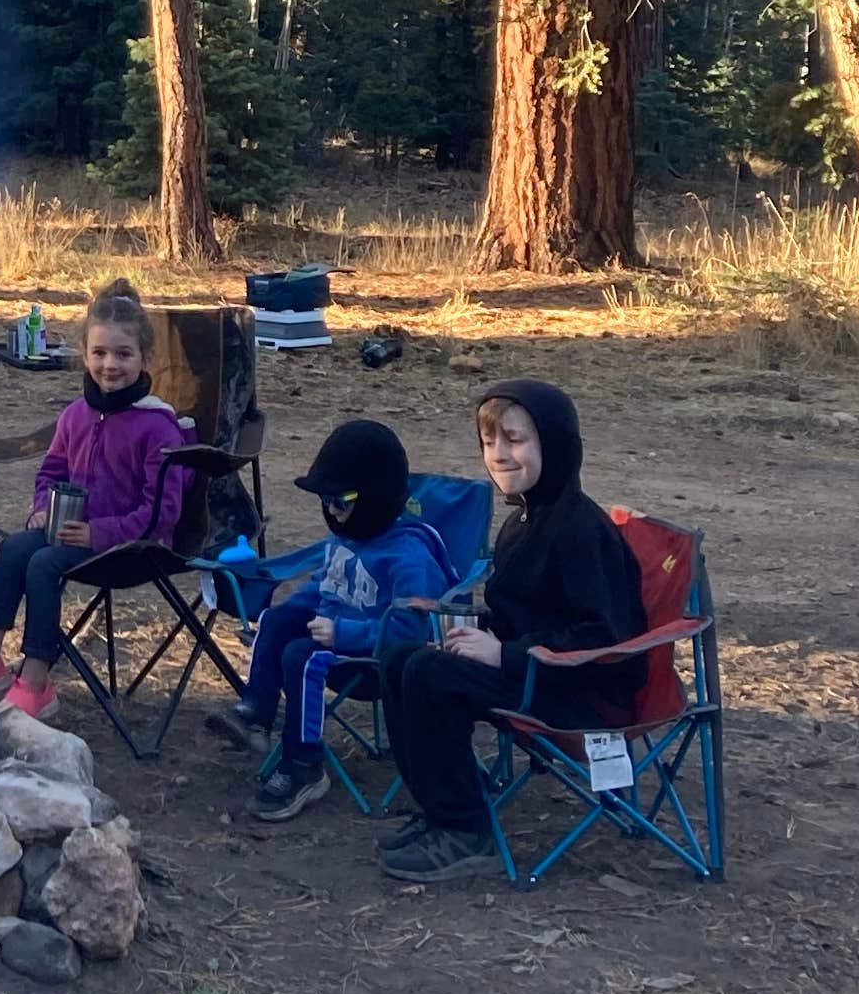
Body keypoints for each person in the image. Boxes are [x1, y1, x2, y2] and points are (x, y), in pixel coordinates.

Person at [378, 379, 648, 886]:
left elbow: (603, 636)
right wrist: (472, 637)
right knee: (401, 659)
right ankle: (440, 808)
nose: (499, 455)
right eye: (489, 442)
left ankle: (465, 832)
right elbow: (519, 611)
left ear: (556, 444)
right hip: (535, 674)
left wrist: (506, 654)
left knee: (430, 674)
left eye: (515, 440)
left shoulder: (580, 530)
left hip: (583, 693)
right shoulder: (523, 519)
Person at [0, 280, 186, 719]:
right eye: (100, 353)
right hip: (71, 534)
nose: (110, 365)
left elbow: (164, 513)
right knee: (16, 548)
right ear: (84, 354)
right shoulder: (76, 415)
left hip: (134, 547)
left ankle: (36, 682)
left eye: (123, 354)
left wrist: (100, 532)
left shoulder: (158, 427)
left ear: (145, 358)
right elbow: (51, 472)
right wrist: (41, 508)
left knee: (43, 563)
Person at [206, 417, 458, 825]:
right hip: (332, 637)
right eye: (325, 501)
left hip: (375, 662)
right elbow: (324, 588)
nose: (332, 511)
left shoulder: (409, 557)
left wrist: (344, 633)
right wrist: (290, 612)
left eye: (342, 501)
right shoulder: (345, 538)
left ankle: (304, 765)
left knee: (300, 656)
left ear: (375, 498)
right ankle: (255, 715)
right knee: (280, 619)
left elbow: (410, 632)